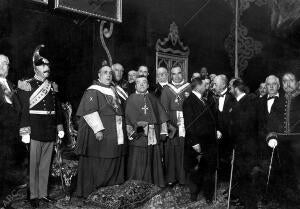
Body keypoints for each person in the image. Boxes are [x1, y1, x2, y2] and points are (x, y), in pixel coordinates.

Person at [18, 45, 64, 208]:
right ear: (35, 68)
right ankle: (33, 195)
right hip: (35, 129)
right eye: (42, 66)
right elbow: (24, 110)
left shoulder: (52, 86)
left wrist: (59, 127)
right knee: (34, 165)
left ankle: (43, 194)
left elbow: (57, 109)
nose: (46, 68)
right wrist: (25, 130)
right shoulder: (26, 85)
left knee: (46, 164)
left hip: (49, 129)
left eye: (47, 66)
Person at [75, 65, 126, 198]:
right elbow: (89, 111)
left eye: (110, 73)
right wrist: (98, 130)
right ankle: (97, 188)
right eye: (105, 72)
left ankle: (110, 186)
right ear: (99, 75)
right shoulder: (93, 91)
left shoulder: (113, 90)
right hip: (102, 131)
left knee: (115, 155)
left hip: (116, 130)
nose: (108, 75)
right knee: (102, 158)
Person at [125, 76, 168, 187]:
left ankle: (154, 184)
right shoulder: (131, 99)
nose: (142, 84)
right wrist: (134, 129)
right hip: (138, 137)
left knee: (153, 158)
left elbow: (162, 117)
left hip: (153, 135)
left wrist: (164, 131)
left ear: (148, 85)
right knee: (138, 161)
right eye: (138, 83)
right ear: (135, 86)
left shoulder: (153, 98)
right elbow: (127, 120)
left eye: (144, 82)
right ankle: (137, 185)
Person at [183, 77, 218, 203]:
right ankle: (193, 195)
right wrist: (194, 142)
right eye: (204, 85)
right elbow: (189, 124)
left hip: (208, 141)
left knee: (208, 169)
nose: (206, 87)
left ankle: (208, 196)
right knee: (195, 170)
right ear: (197, 87)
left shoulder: (204, 100)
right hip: (197, 142)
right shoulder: (189, 102)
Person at [266, 72, 300, 200]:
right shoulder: (278, 101)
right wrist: (271, 137)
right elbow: (271, 122)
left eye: (291, 80)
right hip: (282, 143)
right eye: (285, 81)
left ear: (297, 83)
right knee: (285, 172)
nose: (288, 83)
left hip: (299, 143)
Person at [229, 79, 259, 209]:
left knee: (246, 176)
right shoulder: (239, 102)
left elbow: (246, 125)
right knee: (240, 175)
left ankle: (250, 205)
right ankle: (243, 200)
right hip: (240, 145)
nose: (230, 90)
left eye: (230, 87)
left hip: (246, 146)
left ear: (236, 88)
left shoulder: (248, 102)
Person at [160, 66, 191, 185]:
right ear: (170, 75)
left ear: (182, 74)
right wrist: (169, 125)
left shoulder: (189, 87)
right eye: (173, 74)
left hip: (186, 122)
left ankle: (183, 178)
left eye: (179, 73)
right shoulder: (167, 89)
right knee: (171, 150)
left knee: (184, 148)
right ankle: (171, 178)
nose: (176, 76)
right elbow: (163, 110)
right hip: (171, 122)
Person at [0, 55, 21, 197]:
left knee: (7, 168)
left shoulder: (11, 84)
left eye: (6, 64)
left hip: (11, 134)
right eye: (0, 63)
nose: (3, 66)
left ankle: (4, 199)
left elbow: (18, 108)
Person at [212, 74, 236, 180]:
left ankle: (229, 180)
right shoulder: (212, 97)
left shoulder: (233, 97)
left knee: (229, 158)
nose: (213, 87)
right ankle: (221, 178)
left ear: (223, 85)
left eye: (215, 84)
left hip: (230, 135)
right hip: (218, 134)